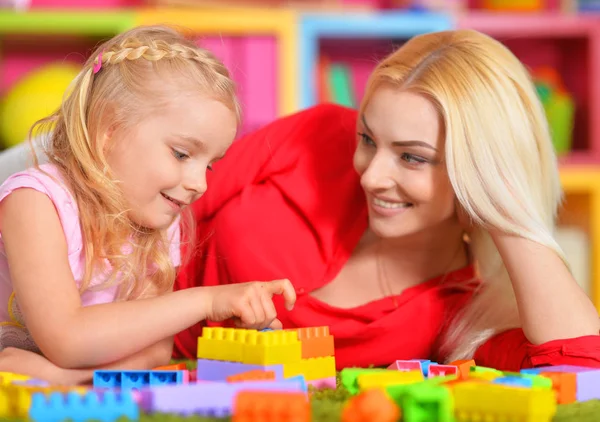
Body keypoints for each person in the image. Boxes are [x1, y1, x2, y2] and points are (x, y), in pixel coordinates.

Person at [174, 29, 600, 371]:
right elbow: (172, 207)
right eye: (368, 139)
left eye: (413, 157)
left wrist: (506, 206)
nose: (372, 175)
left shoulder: (463, 313)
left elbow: (582, 363)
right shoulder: (320, 133)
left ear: (479, 174)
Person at [0, 25, 295, 385]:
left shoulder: (159, 216)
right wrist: (205, 302)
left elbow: (156, 349)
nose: (199, 184)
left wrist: (68, 378)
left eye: (210, 164)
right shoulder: (34, 202)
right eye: (182, 153)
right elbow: (67, 339)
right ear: (108, 130)